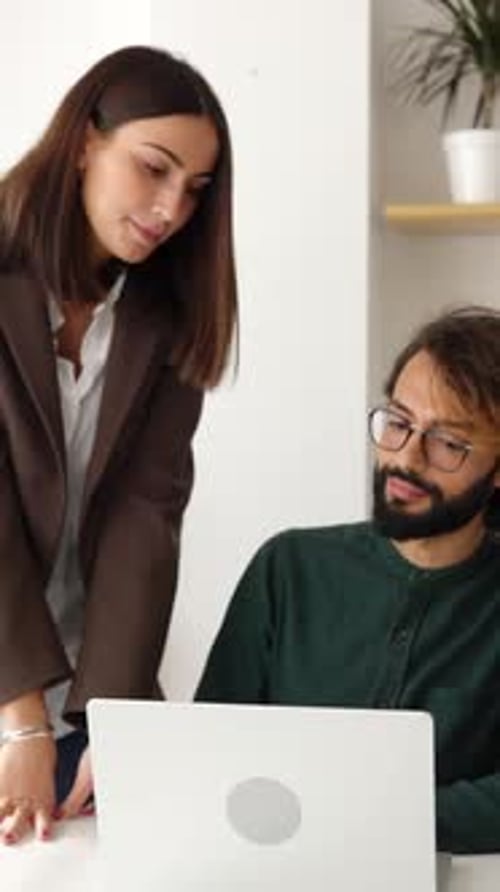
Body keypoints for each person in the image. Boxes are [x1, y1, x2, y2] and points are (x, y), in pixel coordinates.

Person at [0, 45, 237, 844]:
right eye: (154, 168)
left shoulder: (166, 315)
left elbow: (146, 520)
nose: (172, 208)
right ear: (84, 143)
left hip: (86, 696)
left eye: (195, 189)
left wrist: (116, 719)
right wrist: (21, 724)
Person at [197, 307, 500, 855]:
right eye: (399, 422)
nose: (405, 457)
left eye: (448, 443)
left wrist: (361, 818)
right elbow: (211, 748)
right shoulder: (288, 568)